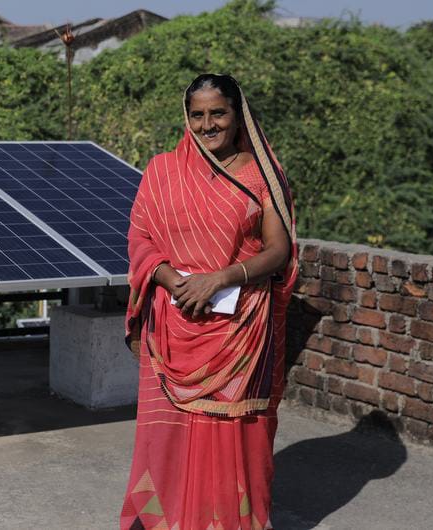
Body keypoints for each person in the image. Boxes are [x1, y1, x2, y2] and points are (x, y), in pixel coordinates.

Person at [120, 73, 298, 530]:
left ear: (239, 116)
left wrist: (220, 278)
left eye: (218, 113)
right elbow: (140, 237)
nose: (207, 124)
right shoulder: (161, 170)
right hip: (173, 327)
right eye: (197, 115)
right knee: (167, 441)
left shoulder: (263, 176)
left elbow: (278, 251)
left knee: (237, 440)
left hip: (240, 331)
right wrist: (169, 278)